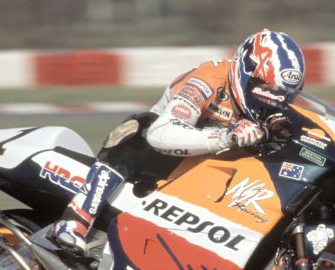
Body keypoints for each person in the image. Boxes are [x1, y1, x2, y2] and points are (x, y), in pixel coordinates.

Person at [52, 29, 306, 256]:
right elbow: (161, 133)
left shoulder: (274, 112)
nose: (273, 101)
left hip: (209, 176)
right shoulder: (209, 78)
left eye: (284, 95)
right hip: (159, 157)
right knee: (139, 127)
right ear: (244, 70)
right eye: (265, 89)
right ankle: (74, 221)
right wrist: (226, 137)